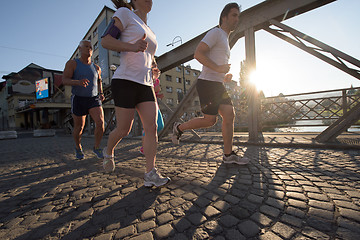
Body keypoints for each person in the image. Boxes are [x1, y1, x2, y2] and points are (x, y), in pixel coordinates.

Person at [101, 0, 170, 187]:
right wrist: (132, 47)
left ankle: (150, 174)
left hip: (146, 84)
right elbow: (106, 40)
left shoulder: (151, 31)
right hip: (125, 81)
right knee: (124, 129)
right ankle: (109, 151)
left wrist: (154, 69)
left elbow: (149, 57)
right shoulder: (125, 13)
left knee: (152, 127)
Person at [172, 3, 250, 165]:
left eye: (238, 16)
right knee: (210, 120)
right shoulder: (216, 32)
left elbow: (216, 65)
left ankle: (228, 155)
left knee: (229, 114)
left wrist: (223, 75)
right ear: (224, 17)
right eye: (234, 15)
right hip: (207, 83)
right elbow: (198, 54)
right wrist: (218, 68)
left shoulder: (225, 40)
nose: (237, 19)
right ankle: (179, 128)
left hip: (217, 84)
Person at [62, 40, 105, 160]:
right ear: (79, 49)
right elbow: (65, 80)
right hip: (78, 98)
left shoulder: (97, 68)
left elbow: (99, 81)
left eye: (91, 47)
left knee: (101, 123)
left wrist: (101, 93)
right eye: (86, 46)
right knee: (79, 127)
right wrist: (77, 82)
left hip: (93, 99)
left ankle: (96, 147)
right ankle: (78, 146)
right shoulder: (72, 64)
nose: (89, 49)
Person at [140, 63, 164, 154]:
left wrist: (158, 94)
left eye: (156, 65)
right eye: (153, 65)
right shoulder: (144, 76)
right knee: (150, 127)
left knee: (160, 125)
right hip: (145, 104)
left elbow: (154, 92)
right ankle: (144, 147)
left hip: (155, 104)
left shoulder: (157, 80)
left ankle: (147, 144)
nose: (155, 67)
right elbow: (144, 90)